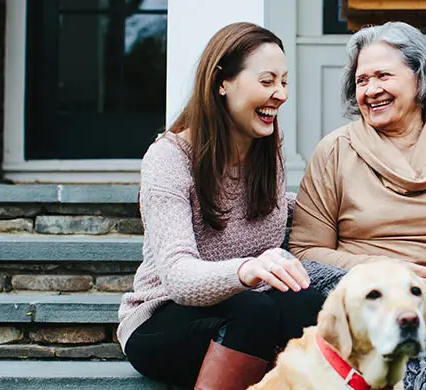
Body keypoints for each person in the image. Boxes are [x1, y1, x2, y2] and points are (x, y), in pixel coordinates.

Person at [288, 21, 426, 390]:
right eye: (362, 80)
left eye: (383, 76)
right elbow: (305, 251)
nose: (371, 90)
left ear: (421, 79)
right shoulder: (334, 150)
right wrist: (383, 271)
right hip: (366, 302)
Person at [117, 22, 325, 389]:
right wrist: (247, 270)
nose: (280, 94)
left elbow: (282, 207)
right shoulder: (168, 159)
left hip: (248, 313)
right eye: (267, 81)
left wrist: (354, 207)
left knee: (306, 302)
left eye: (284, 81)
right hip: (162, 318)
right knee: (254, 310)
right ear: (222, 83)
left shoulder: (266, 151)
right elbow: (179, 276)